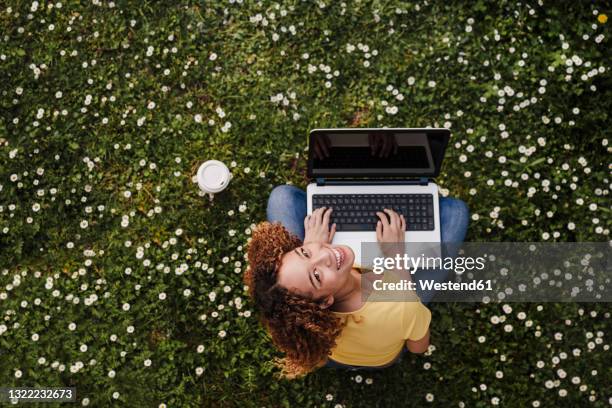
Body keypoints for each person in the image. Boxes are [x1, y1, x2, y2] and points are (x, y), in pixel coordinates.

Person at [243, 184, 469, 379]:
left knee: (282, 197)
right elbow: (418, 348)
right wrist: (395, 255)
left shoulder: (310, 327)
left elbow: (313, 265)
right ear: (324, 302)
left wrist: (312, 242)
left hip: (332, 355)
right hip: (385, 356)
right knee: (456, 211)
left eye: (303, 252)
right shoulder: (401, 306)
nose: (326, 255)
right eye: (317, 276)